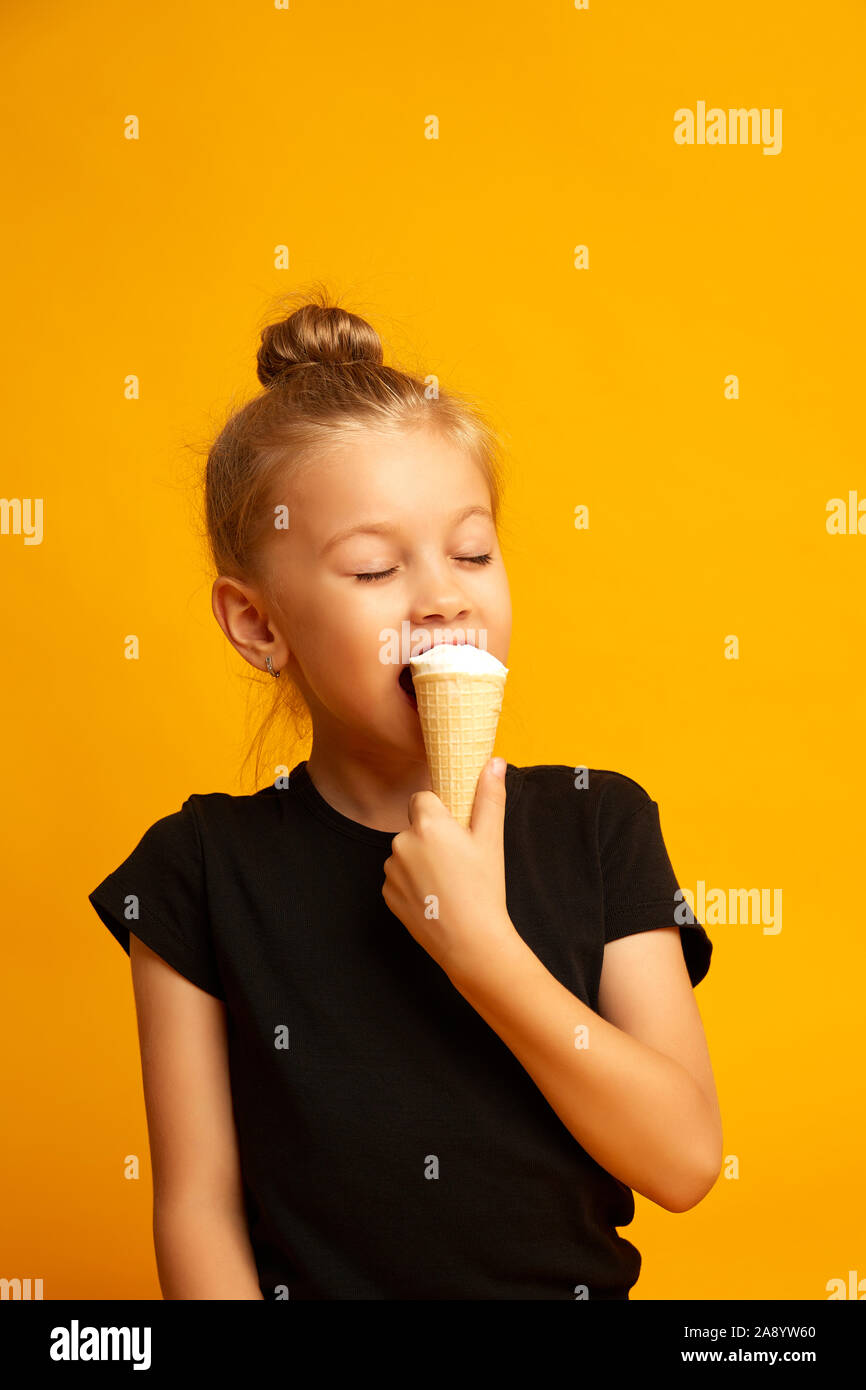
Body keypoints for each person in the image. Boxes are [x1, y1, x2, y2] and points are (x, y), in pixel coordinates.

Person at [88, 285, 721, 1300]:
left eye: (472, 550)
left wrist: (481, 947)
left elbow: (682, 1158)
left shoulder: (601, 824)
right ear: (258, 625)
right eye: (375, 567)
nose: (443, 592)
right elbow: (197, 1206)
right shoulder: (198, 871)